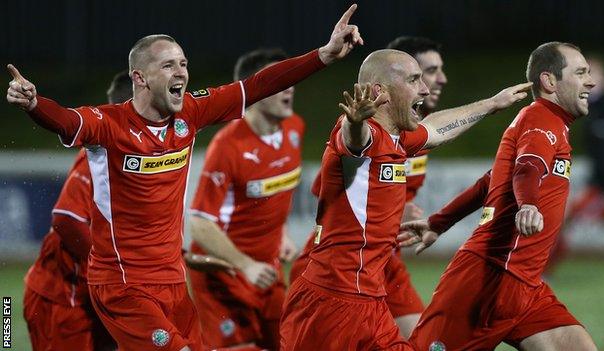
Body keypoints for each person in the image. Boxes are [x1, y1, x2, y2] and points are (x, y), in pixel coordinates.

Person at [7, 5, 362, 350]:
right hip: (125, 285)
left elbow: (255, 86)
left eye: (183, 63)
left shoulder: (189, 113)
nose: (181, 72)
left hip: (173, 282)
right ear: (140, 78)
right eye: (168, 65)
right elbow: (68, 121)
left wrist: (323, 56)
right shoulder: (110, 125)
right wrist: (36, 105)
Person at [280, 48, 531, 350]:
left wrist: (492, 104)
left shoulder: (397, 139)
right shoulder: (364, 136)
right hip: (332, 303)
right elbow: (353, 140)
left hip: (369, 300)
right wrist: (355, 122)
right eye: (414, 80)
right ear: (379, 92)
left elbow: (436, 128)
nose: (424, 89)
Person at [401, 42, 598, 351]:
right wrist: (529, 204)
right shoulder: (541, 120)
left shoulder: (552, 125)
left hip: (525, 285)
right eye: (581, 72)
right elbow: (527, 169)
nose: (591, 81)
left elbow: (491, 182)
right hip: (488, 278)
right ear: (549, 81)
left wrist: (439, 222)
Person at [187, 48, 303, 350]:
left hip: (267, 272)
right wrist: (245, 264)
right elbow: (199, 224)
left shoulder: (294, 129)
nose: (289, 87)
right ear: (255, 90)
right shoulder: (227, 147)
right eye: (279, 81)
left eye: (289, 79)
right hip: (222, 276)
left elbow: (276, 191)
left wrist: (283, 234)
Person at [22, 71, 132, 351]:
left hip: (96, 298)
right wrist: (111, 267)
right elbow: (66, 219)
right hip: (62, 298)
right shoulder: (102, 157)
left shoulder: (142, 157)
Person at [383, 35, 448, 337]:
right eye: (428, 72)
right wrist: (393, 211)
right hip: (349, 265)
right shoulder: (375, 130)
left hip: (387, 261)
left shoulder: (417, 134)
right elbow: (329, 198)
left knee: (420, 340)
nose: (440, 80)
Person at [546, 56, 604, 274]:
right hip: (600, 186)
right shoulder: (594, 111)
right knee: (562, 220)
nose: (588, 78)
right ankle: (542, 270)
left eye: (593, 73)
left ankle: (542, 270)